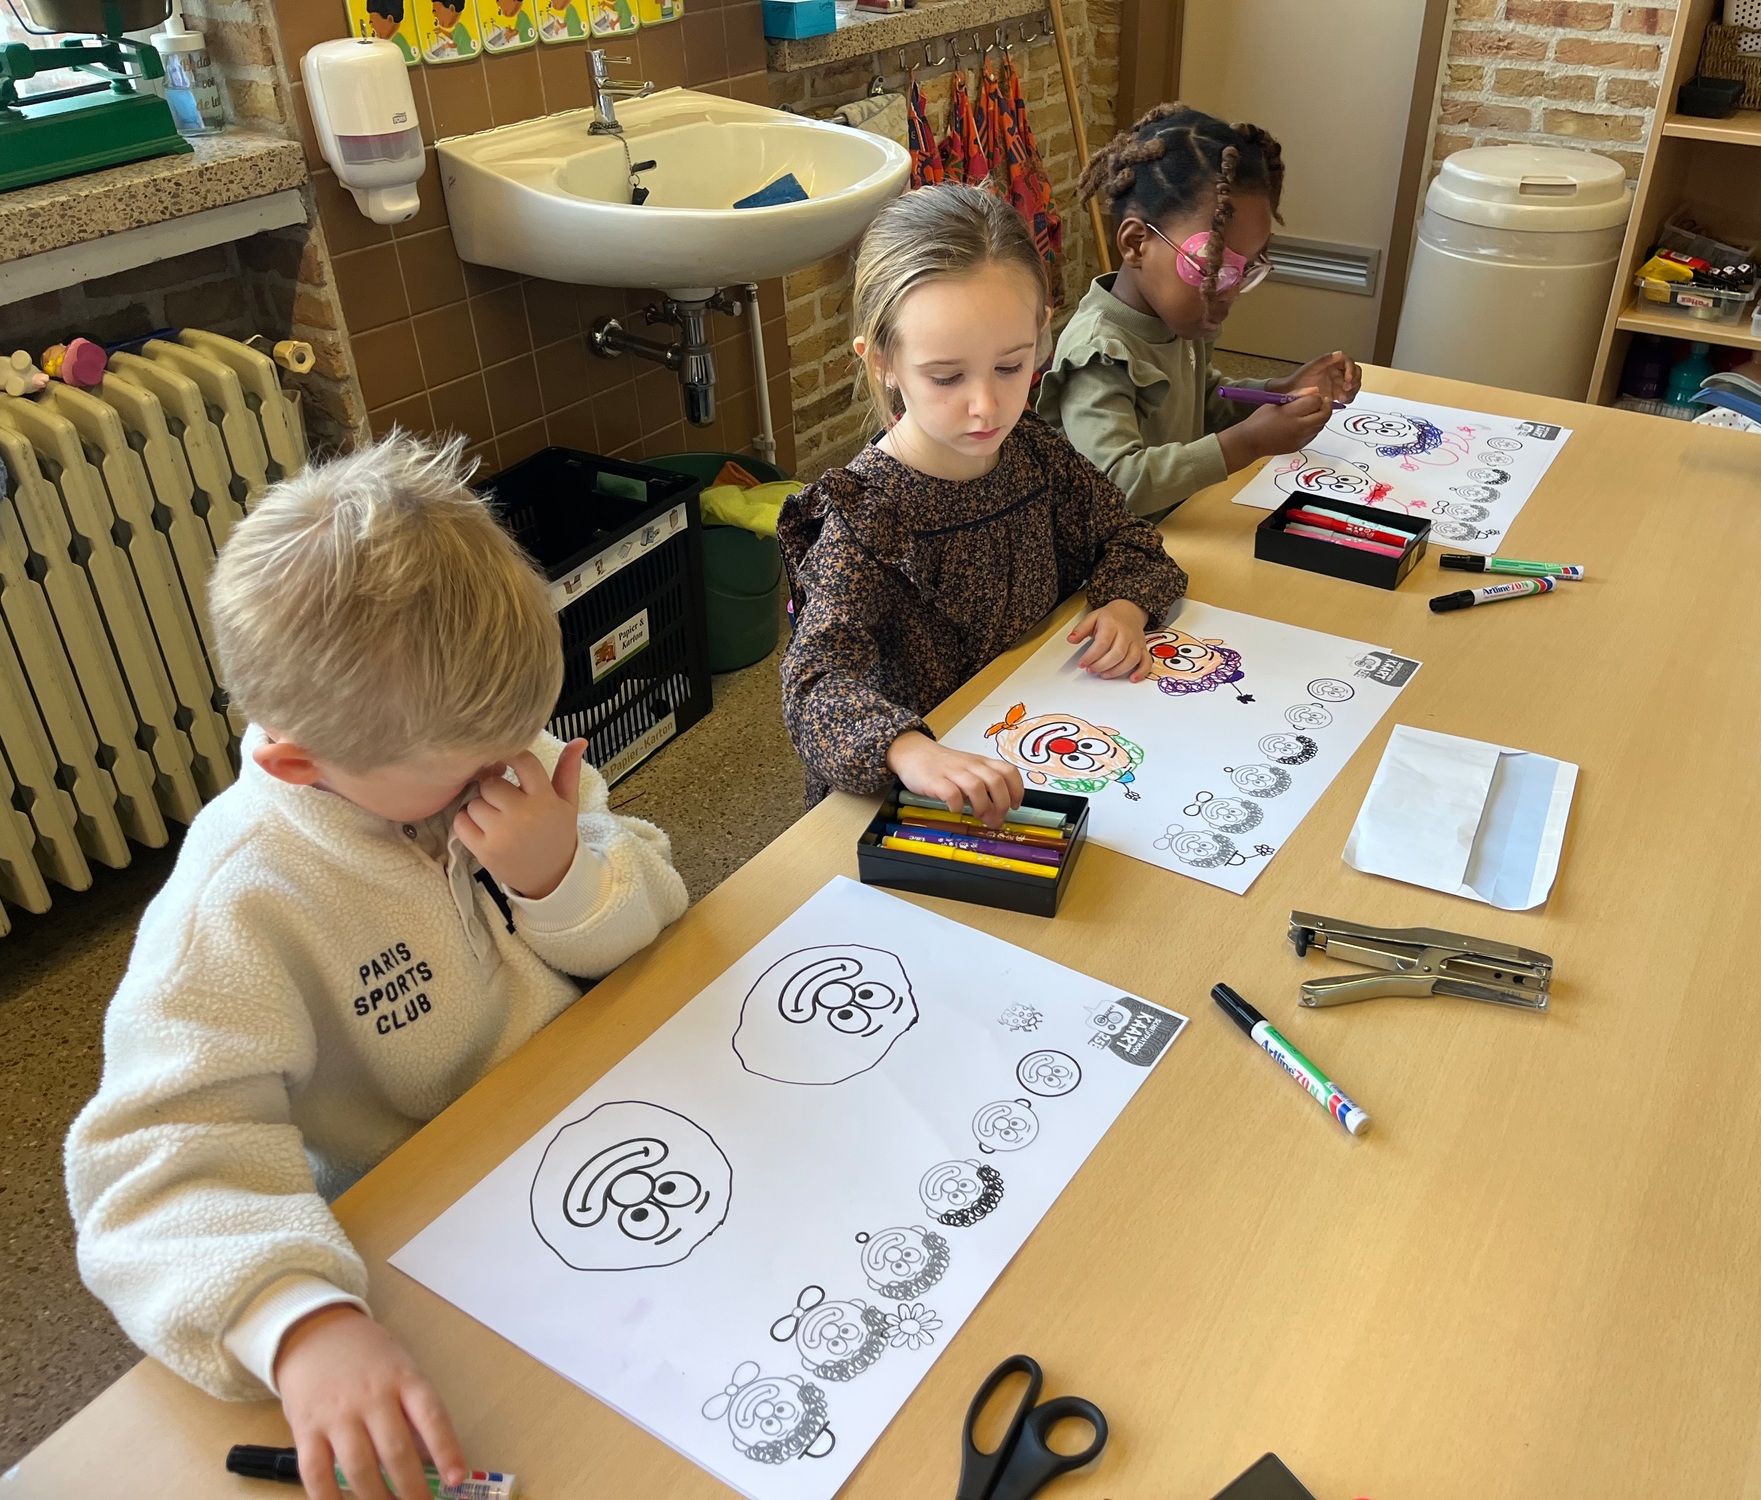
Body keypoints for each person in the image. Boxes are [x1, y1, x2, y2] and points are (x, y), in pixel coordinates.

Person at [65, 435, 689, 1500]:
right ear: (298, 762)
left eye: (523, 736)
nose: (515, 769)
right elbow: (154, 1169)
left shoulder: (487, 741)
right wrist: (301, 1323)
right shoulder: (236, 900)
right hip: (427, 1237)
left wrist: (561, 878)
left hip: (598, 1119)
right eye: (473, 765)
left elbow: (657, 903)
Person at [779, 183, 1189, 824]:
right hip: (923, 797)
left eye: (1010, 367)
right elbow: (813, 683)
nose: (986, 406)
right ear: (882, 361)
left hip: (1045, 736)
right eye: (947, 377)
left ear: (1041, 334)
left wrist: (1125, 608)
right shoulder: (865, 519)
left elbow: (1129, 537)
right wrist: (909, 750)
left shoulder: (1033, 453)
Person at [1035, 104, 1365, 520]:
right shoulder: (1099, 355)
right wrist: (1247, 443)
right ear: (1136, 244)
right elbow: (1114, 484)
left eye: (1245, 270)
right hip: (1114, 553)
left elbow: (1203, 402)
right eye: (1212, 268)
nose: (1230, 292)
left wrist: (1282, 389)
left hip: (1179, 526)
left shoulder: (1176, 322)